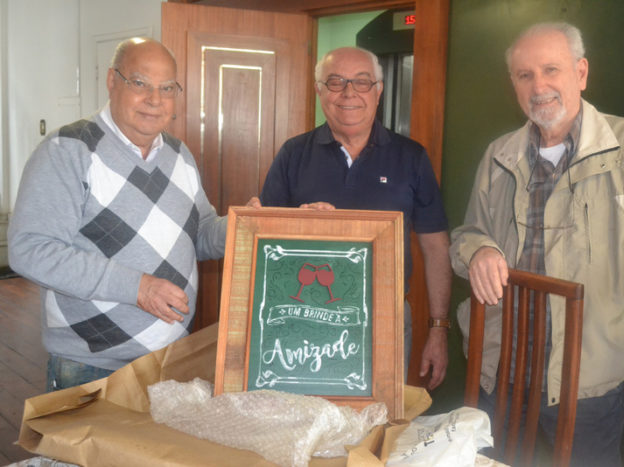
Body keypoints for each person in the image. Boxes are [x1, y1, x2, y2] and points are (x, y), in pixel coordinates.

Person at [449, 22, 624, 466]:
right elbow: (468, 235)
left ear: (581, 73)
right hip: (500, 369)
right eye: (524, 75)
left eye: (551, 69)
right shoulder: (498, 155)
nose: (538, 85)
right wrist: (480, 251)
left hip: (587, 382)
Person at [8, 38, 227, 391]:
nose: (155, 100)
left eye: (167, 88)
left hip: (170, 358)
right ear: (112, 81)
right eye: (140, 83)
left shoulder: (179, 154)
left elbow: (199, 232)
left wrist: (248, 228)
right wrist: (137, 287)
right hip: (91, 368)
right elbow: (30, 249)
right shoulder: (67, 152)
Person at [248, 47, 451, 389]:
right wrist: (293, 222)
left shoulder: (412, 158)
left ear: (379, 89)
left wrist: (438, 329)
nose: (349, 93)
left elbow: (436, 248)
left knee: (374, 429)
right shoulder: (292, 154)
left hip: (385, 322)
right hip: (302, 323)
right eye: (336, 81)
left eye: (361, 82)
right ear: (319, 90)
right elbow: (265, 247)